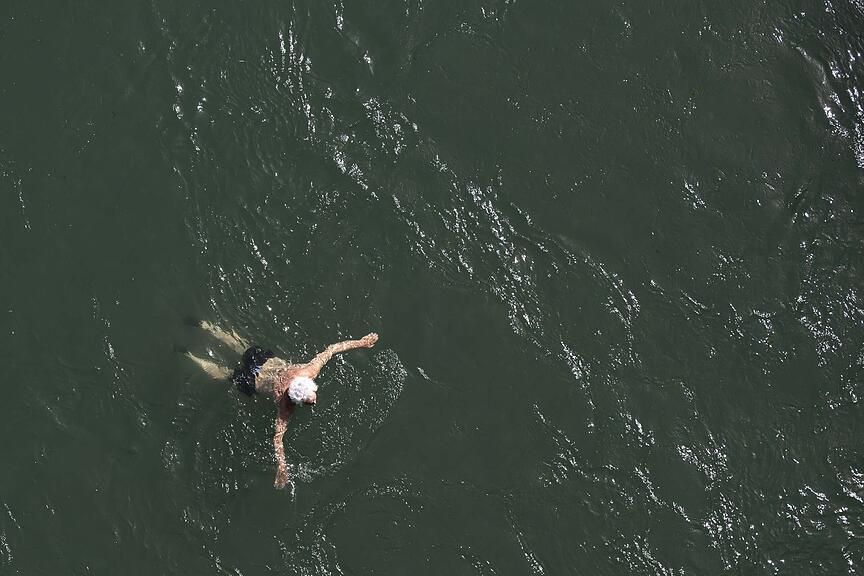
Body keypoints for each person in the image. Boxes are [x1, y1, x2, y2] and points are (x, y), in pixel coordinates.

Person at [183, 320, 379, 489]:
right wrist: (282, 467)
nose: (315, 400)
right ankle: (191, 356)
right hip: (251, 381)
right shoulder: (285, 406)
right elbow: (278, 439)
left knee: (239, 345)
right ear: (296, 399)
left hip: (262, 360)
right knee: (225, 374)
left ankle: (206, 326)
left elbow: (332, 349)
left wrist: (361, 342)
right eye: (309, 401)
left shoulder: (308, 371)